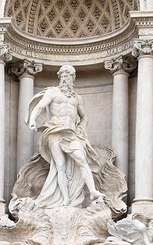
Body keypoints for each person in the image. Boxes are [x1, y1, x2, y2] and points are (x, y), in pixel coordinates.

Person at [26, 65, 107, 209]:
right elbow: (39, 107)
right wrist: (32, 120)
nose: (64, 78)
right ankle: (65, 199)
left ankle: (93, 191)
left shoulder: (77, 98)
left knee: (82, 160)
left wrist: (82, 127)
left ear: (73, 78)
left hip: (71, 133)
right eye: (62, 76)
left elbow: (84, 117)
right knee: (60, 166)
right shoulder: (53, 92)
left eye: (68, 76)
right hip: (55, 131)